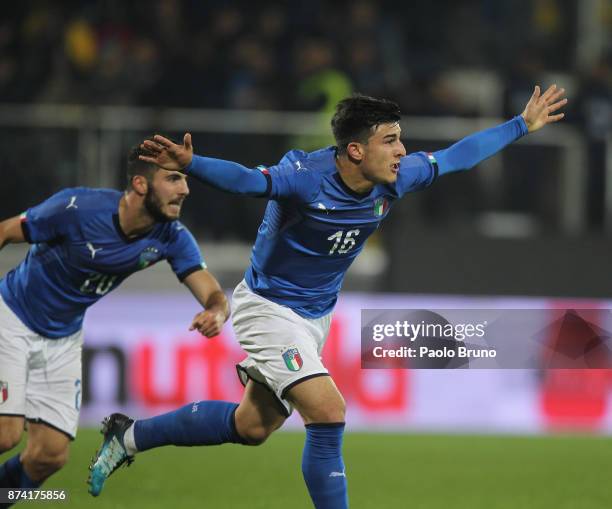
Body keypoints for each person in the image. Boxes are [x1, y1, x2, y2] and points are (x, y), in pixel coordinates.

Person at [88, 85, 566, 508]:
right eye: (390, 140)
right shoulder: (304, 177)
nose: (402, 150)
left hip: (315, 317)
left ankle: (128, 436)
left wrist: (522, 125)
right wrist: (193, 164)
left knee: (252, 426)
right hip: (268, 307)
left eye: (400, 138)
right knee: (329, 410)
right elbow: (249, 182)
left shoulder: (396, 178)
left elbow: (459, 154)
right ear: (355, 150)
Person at [0, 143, 229, 505]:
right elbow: (6, 232)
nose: (185, 189)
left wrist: (215, 313)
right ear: (140, 184)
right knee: (6, 434)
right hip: (11, 318)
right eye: (173, 178)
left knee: (50, 455)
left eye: (184, 179)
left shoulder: (171, 236)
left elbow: (213, 294)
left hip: (63, 337)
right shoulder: (76, 208)